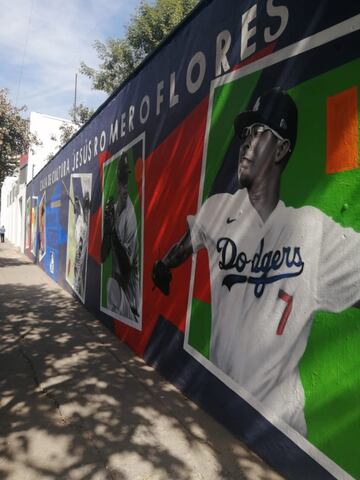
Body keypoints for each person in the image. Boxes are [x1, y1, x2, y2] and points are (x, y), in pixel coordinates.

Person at [152, 88, 360, 437]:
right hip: (220, 410)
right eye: (246, 134)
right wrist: (162, 265)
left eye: (260, 132)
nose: (247, 143)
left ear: (281, 149)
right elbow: (188, 244)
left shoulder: (311, 230)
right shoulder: (218, 209)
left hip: (280, 429)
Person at [101, 152, 140, 322]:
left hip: (130, 300)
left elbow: (126, 268)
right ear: (117, 183)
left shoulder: (129, 216)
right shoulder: (115, 208)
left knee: (111, 286)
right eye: (121, 181)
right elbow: (103, 256)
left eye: (127, 181)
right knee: (111, 286)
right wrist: (107, 229)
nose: (124, 186)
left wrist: (112, 232)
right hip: (116, 290)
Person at [73, 192, 90, 297]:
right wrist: (78, 204)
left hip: (82, 248)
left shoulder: (85, 223)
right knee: (77, 264)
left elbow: (84, 214)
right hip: (79, 247)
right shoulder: (81, 221)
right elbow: (81, 215)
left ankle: (77, 286)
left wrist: (78, 203)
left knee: (79, 266)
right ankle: (76, 286)